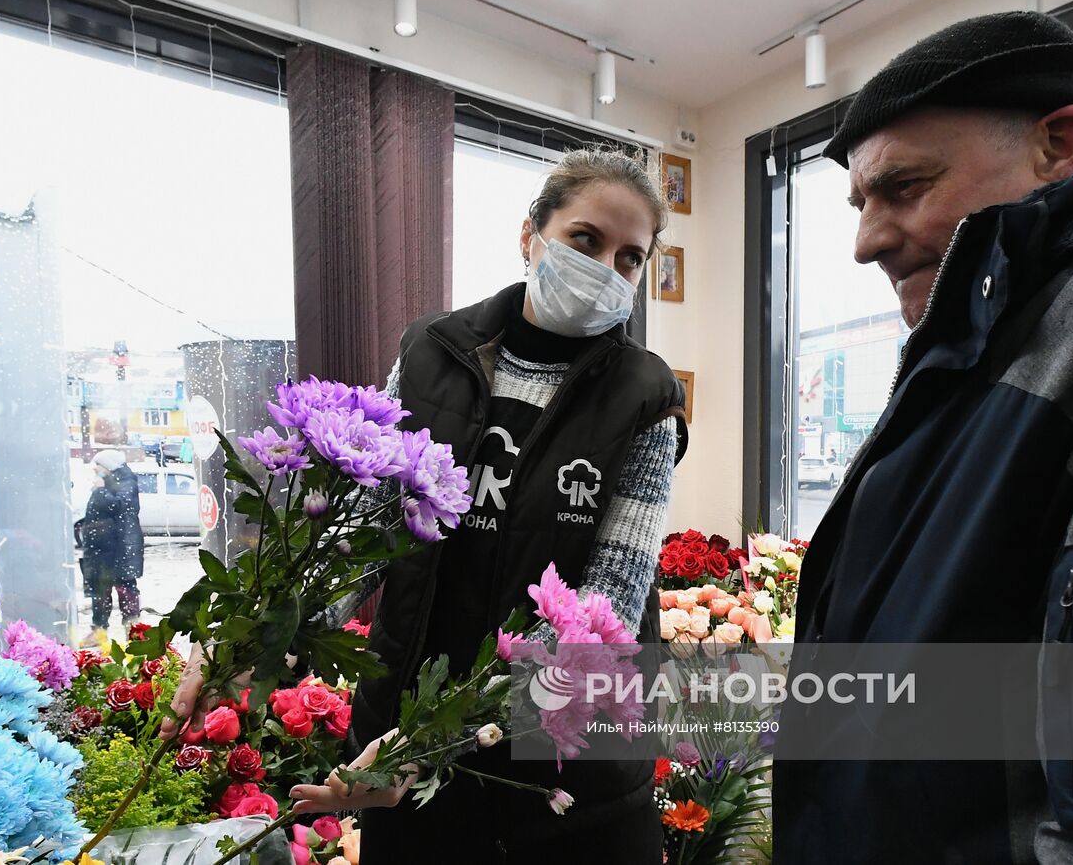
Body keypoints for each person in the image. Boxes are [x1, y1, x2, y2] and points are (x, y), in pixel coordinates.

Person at [772, 11, 1073, 864]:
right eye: (860, 203)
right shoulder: (991, 329)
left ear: (1059, 143)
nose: (865, 242)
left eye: (904, 187)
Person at [165, 148, 688, 863]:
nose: (607, 270)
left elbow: (606, 615)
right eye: (586, 240)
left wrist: (437, 742)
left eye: (631, 258)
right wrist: (260, 638)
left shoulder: (646, 397)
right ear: (531, 234)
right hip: (405, 766)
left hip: (571, 782)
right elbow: (366, 541)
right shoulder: (429, 356)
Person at [74, 448, 145, 641]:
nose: (95, 471)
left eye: (98, 467)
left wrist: (100, 490)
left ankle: (133, 630)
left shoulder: (126, 482)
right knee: (100, 589)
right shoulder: (108, 482)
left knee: (126, 587)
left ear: (108, 466)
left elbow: (120, 506)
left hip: (120, 548)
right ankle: (99, 630)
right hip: (102, 549)